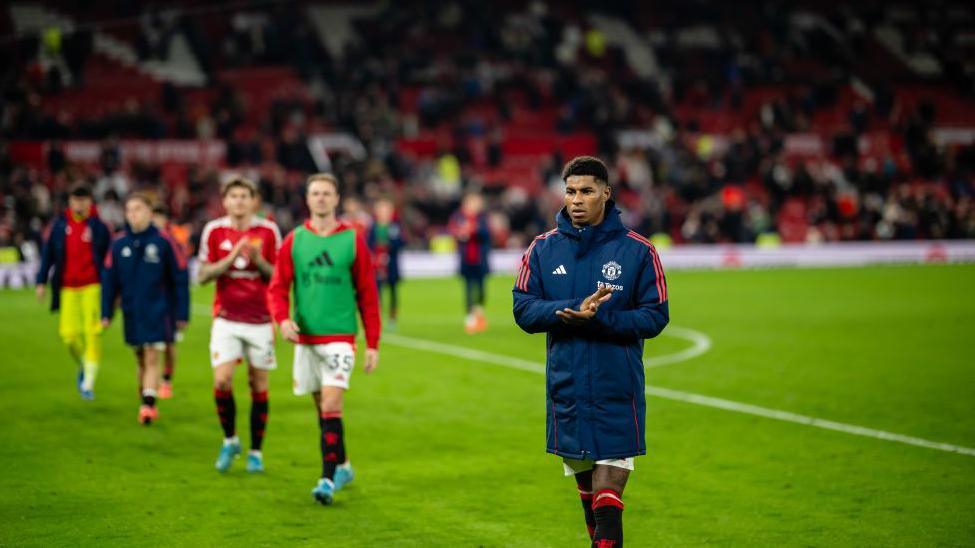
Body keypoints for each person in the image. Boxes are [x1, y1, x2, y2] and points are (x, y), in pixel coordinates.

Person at [512, 156, 669, 547]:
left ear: (606, 193)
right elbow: (523, 308)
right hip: (567, 389)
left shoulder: (638, 252)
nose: (576, 200)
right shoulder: (543, 249)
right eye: (570, 191)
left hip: (617, 387)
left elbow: (655, 316)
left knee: (607, 500)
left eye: (586, 191)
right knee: (591, 503)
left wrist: (602, 319)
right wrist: (565, 312)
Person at [267, 173, 381, 505]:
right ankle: (343, 464)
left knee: (331, 403)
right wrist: (283, 318)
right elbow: (277, 287)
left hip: (340, 337)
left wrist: (372, 343)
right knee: (322, 408)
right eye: (315, 193)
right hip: (306, 339)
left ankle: (326, 479)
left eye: (326, 193)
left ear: (336, 199)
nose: (320, 198)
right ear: (307, 199)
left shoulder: (352, 239)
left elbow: (368, 294)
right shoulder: (295, 240)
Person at [197, 177, 281, 473]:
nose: (239, 201)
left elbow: (280, 278)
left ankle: (256, 452)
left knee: (258, 384)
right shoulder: (214, 230)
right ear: (225, 201)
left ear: (254, 200)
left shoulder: (268, 231)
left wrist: (258, 260)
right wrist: (232, 257)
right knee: (222, 381)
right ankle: (230, 439)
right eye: (233, 196)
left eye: (245, 196)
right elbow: (203, 275)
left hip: (260, 319)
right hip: (226, 319)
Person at [102, 193, 189, 425]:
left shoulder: (163, 241)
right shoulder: (119, 243)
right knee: (140, 359)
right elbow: (109, 281)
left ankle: (148, 406)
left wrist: (182, 312)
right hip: (132, 311)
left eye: (138, 209)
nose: (133, 214)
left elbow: (180, 276)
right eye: (129, 210)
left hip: (158, 310)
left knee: (152, 357)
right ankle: (146, 394)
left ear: (150, 213)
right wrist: (106, 313)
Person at [35, 183, 112, 400]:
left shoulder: (100, 227)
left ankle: (88, 383)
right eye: (76, 200)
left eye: (83, 199)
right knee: (69, 336)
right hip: (67, 288)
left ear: (90, 202)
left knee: (92, 332)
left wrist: (114, 289)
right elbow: (47, 255)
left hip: (93, 287)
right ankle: (84, 364)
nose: (79, 204)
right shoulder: (59, 226)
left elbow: (109, 260)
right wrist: (41, 281)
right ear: (70, 202)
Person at [151, 203, 187, 399]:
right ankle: (151, 383)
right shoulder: (146, 240)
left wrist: (182, 309)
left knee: (169, 344)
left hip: (169, 302)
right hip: (149, 301)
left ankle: (166, 378)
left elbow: (181, 275)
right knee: (151, 345)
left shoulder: (172, 241)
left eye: (159, 217)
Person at [449, 192, 491, 334]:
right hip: (466, 259)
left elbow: (487, 234)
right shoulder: (458, 217)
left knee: (481, 290)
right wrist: (460, 235)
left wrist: (473, 231)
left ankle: (478, 313)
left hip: (480, 259)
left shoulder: (482, 218)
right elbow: (453, 231)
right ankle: (470, 318)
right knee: (468, 289)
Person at [367, 197, 404, 329]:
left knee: (393, 292)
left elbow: (401, 243)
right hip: (377, 266)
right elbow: (368, 244)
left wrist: (389, 246)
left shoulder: (395, 226)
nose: (384, 212)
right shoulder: (373, 226)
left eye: (386, 209)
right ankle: (378, 318)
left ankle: (392, 318)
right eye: (381, 209)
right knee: (377, 293)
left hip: (392, 264)